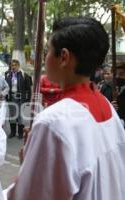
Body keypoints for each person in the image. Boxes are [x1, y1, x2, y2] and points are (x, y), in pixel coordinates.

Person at [9, 17, 125, 200]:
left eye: (48, 50)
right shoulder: (107, 106)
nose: (45, 56)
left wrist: (28, 167)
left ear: (63, 57)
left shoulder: (53, 122)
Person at [5, 59, 32, 139]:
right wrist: (6, 96)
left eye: (15, 65)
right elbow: (5, 86)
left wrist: (28, 99)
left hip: (20, 98)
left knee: (20, 115)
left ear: (18, 66)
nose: (13, 67)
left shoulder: (24, 74)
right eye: (12, 65)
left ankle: (20, 133)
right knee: (12, 115)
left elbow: (28, 88)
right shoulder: (7, 74)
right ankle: (13, 132)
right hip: (11, 97)